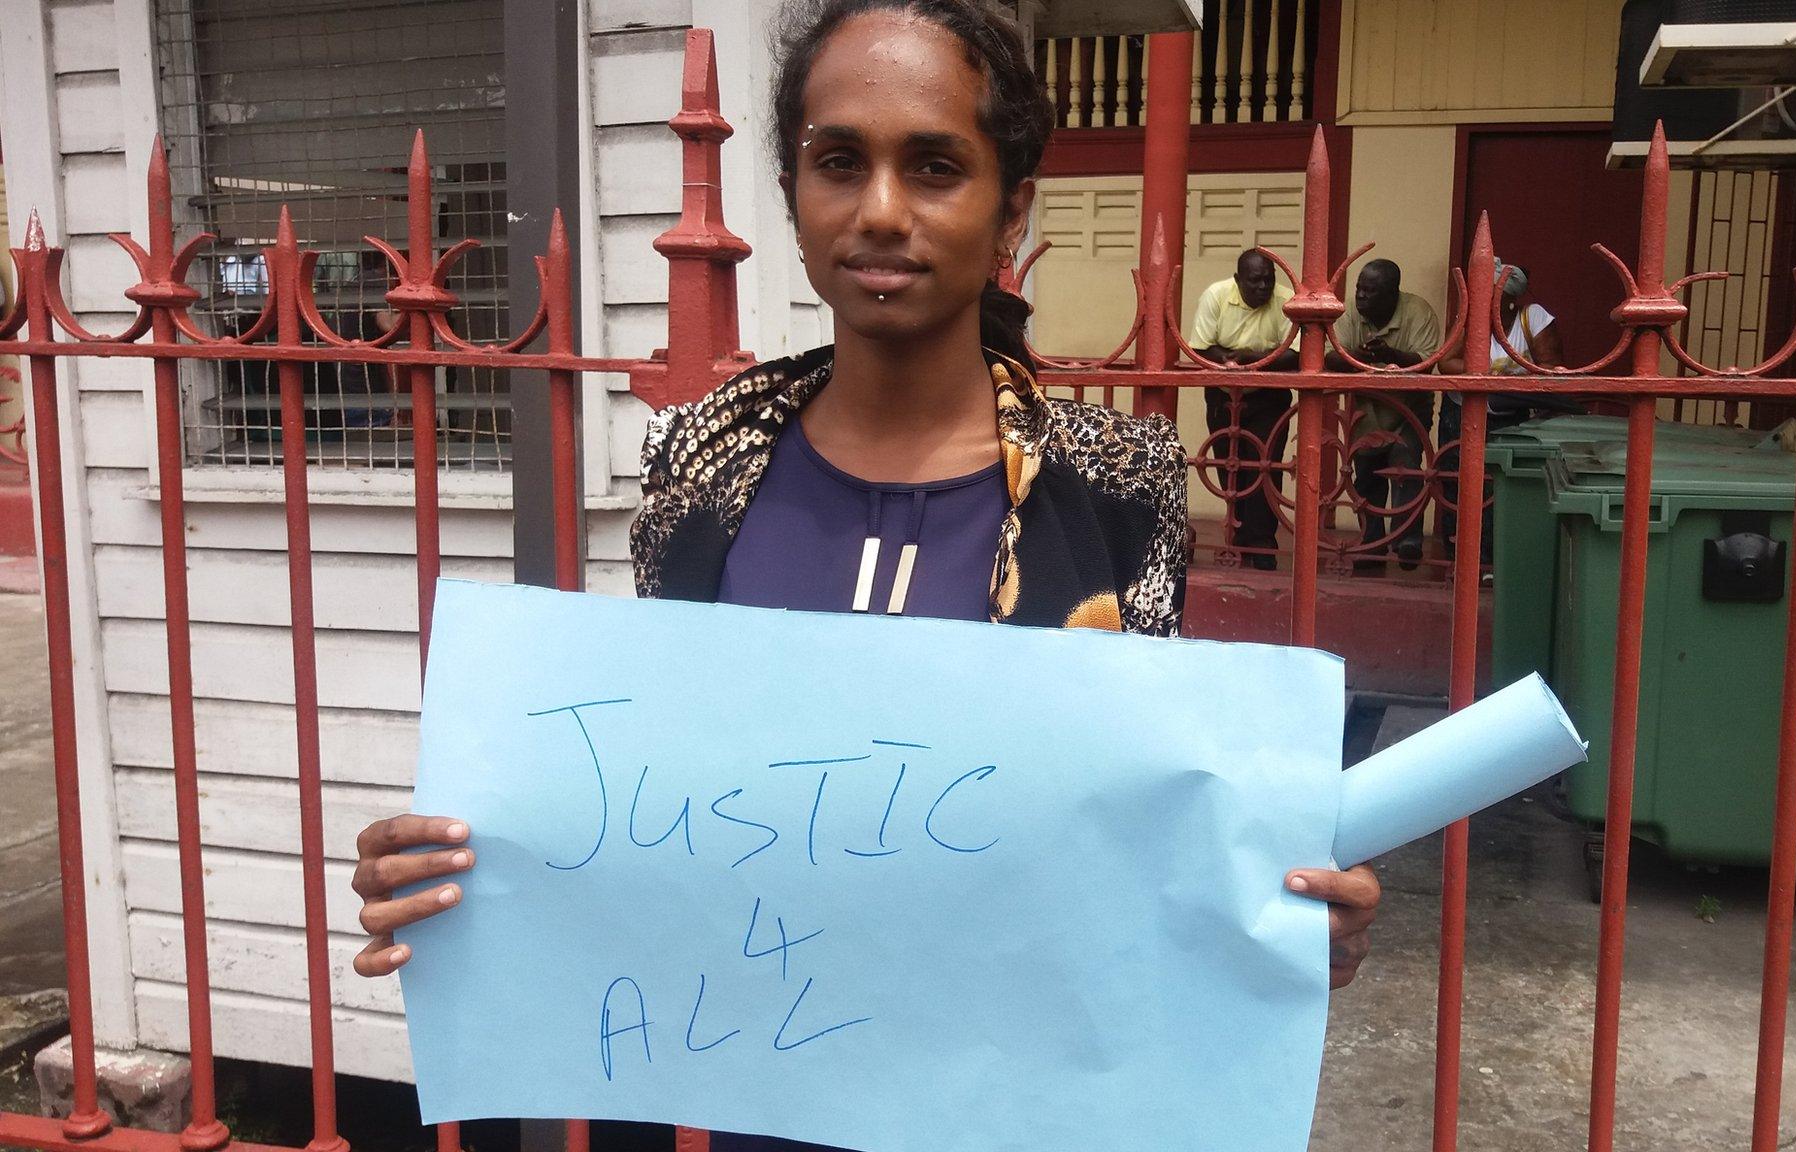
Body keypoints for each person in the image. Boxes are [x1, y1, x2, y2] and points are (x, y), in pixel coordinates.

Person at [347, 4, 1381, 1149]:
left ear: (1009, 207)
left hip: (1007, 1109)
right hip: (741, 1099)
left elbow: (1128, 844)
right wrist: (469, 873)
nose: (880, 211)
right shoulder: (705, 464)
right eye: (839, 161)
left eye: (934, 167)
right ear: (793, 190)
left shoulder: (1113, 488)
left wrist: (1275, 920)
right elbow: (663, 805)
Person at [1438, 259, 1564, 563]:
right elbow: (1445, 362)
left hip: (1512, 414)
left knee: (1499, 485)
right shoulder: (1470, 318)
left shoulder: (1532, 318)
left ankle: (1493, 560)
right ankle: (1458, 558)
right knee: (1457, 480)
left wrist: (1513, 379)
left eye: (1491, 295)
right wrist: (1483, 374)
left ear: (1509, 300)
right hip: (1462, 414)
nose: (1482, 300)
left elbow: (1551, 367)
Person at [1189, 249, 1299, 570]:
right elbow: (1200, 347)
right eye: (1255, 281)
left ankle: (1262, 542)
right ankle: (1240, 536)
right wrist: (1231, 357)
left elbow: (1295, 355)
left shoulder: (1287, 299)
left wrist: (1246, 359)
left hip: (1269, 395)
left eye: (1269, 279)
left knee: (1264, 466)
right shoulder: (1217, 295)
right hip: (1224, 394)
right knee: (1229, 465)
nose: (1264, 286)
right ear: (1238, 280)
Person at [1332, 258, 1440, 570]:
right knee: (1365, 474)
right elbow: (1330, 357)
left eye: (1371, 291)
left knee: (1405, 468)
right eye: (1359, 289)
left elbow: (1425, 362)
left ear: (1392, 294)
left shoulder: (1418, 312)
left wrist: (1390, 355)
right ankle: (1371, 543)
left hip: (1408, 406)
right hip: (1365, 407)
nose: (1362, 296)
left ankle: (1407, 541)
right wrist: (1360, 358)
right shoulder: (1351, 311)